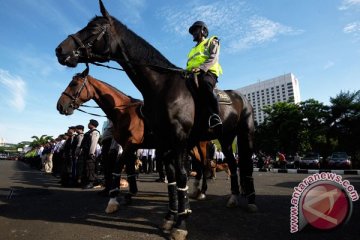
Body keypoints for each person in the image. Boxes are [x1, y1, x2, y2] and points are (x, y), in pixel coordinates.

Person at [186, 21, 223, 135]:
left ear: (203, 31)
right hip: (192, 74)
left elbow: (213, 57)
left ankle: (214, 115)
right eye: (192, 32)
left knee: (204, 83)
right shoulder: (192, 49)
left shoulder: (212, 41)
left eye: (195, 30)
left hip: (208, 72)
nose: (193, 34)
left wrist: (201, 68)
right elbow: (189, 64)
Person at [81, 119, 100, 189]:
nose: (88, 124)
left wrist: (91, 153)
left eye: (89, 123)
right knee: (85, 167)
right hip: (85, 152)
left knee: (90, 167)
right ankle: (86, 181)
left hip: (90, 153)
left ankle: (91, 182)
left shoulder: (95, 132)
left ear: (92, 124)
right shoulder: (88, 132)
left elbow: (93, 143)